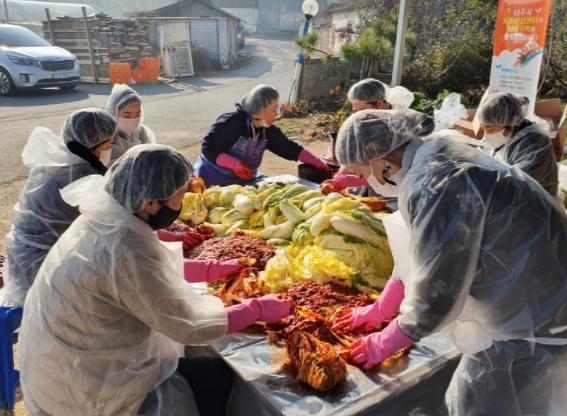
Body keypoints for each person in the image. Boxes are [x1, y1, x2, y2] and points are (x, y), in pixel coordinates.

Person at [332, 109, 567, 416]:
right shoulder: (436, 154)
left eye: (362, 173)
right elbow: (424, 251)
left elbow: (439, 287)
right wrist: (383, 307)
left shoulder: (436, 183)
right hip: (558, 294)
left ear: (377, 155)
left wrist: (388, 339)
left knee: (489, 404)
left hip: (536, 316)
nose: (366, 181)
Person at [18, 144, 292, 416]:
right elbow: (190, 326)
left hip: (57, 365)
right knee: (215, 377)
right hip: (85, 386)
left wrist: (213, 269)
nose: (182, 204)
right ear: (150, 203)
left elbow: (151, 267)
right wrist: (255, 309)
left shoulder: (107, 219)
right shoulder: (123, 247)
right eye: (179, 197)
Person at [0, 108, 117, 307]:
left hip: (20, 256)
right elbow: (108, 222)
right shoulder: (80, 176)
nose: (110, 149)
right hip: (44, 267)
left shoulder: (54, 160)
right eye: (108, 144)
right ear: (95, 144)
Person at [194, 84, 331, 186]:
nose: (276, 113)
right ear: (259, 110)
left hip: (242, 180)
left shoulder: (267, 130)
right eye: (273, 109)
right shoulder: (232, 122)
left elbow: (289, 148)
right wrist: (234, 164)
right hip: (212, 178)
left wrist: (318, 163)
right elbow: (208, 147)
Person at [324, 79, 418, 191]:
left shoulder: (402, 127)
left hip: (395, 188)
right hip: (373, 181)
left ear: (380, 103)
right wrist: (342, 172)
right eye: (356, 111)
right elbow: (354, 150)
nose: (359, 116)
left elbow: (400, 172)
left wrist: (358, 180)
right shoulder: (366, 120)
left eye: (363, 110)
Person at [479, 91, 558, 195]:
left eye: (491, 129)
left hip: (535, 201)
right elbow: (478, 157)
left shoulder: (535, 144)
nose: (486, 135)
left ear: (511, 125)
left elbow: (516, 184)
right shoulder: (502, 135)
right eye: (483, 129)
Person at [105, 83, 156, 164]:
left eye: (137, 115)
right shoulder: (105, 137)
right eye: (127, 115)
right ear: (114, 112)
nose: (133, 119)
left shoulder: (143, 132)